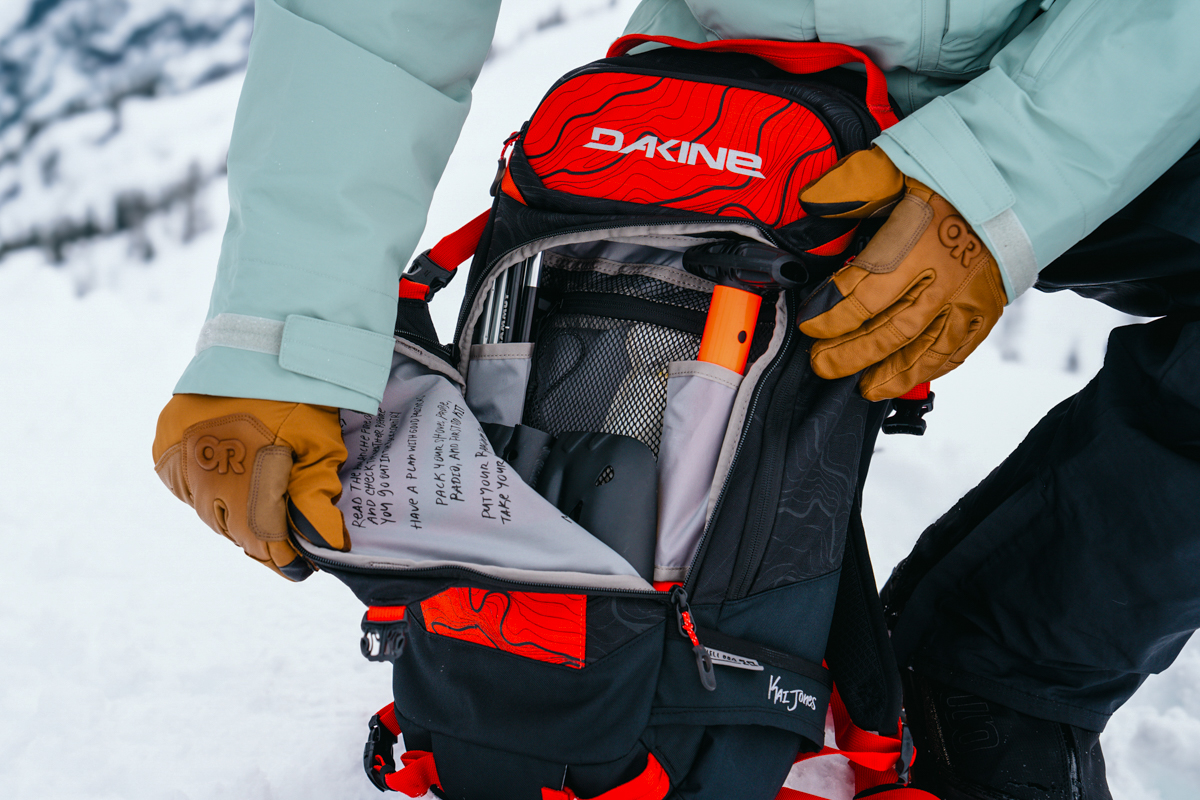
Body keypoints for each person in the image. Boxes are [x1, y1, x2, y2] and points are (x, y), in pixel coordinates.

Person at [152, 2, 1200, 797]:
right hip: (725, 108)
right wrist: (275, 331)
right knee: (613, 639)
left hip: (1093, 71)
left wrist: (1006, 169)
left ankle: (993, 672)